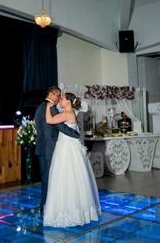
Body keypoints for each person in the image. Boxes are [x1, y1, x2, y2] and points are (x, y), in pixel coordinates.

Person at [43, 92, 100, 227]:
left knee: (64, 177)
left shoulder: (68, 114)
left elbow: (49, 120)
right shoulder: (70, 113)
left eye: (62, 99)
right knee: (72, 178)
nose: (60, 101)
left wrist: (48, 106)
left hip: (66, 148)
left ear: (68, 101)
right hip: (67, 146)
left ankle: (69, 211)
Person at [34, 86, 81, 213]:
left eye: (61, 97)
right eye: (58, 96)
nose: (59, 99)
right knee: (50, 179)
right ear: (51, 94)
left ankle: (44, 206)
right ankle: (47, 207)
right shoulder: (51, 108)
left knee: (46, 179)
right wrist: (76, 134)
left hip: (42, 148)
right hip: (49, 148)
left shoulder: (39, 107)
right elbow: (61, 127)